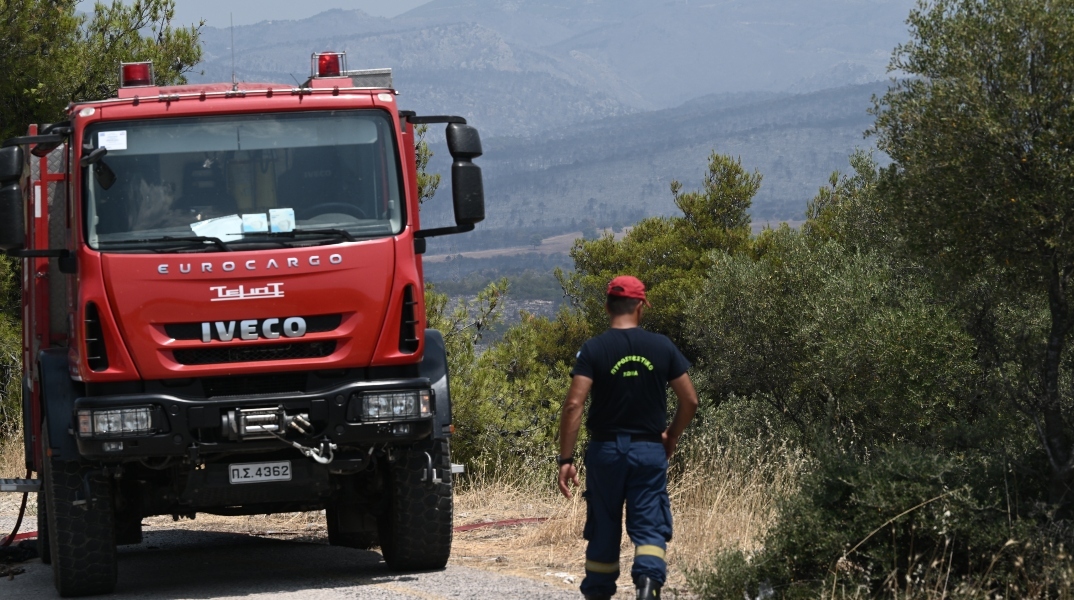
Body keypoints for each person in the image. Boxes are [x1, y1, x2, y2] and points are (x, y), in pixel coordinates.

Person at [557, 275, 699, 600]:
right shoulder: (662, 346)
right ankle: (648, 587)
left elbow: (574, 404)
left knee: (603, 527)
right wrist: (671, 435)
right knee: (650, 525)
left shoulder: (593, 349)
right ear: (640, 307)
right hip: (649, 451)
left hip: (605, 452)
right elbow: (690, 400)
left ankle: (598, 593)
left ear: (607, 307)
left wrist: (566, 459)